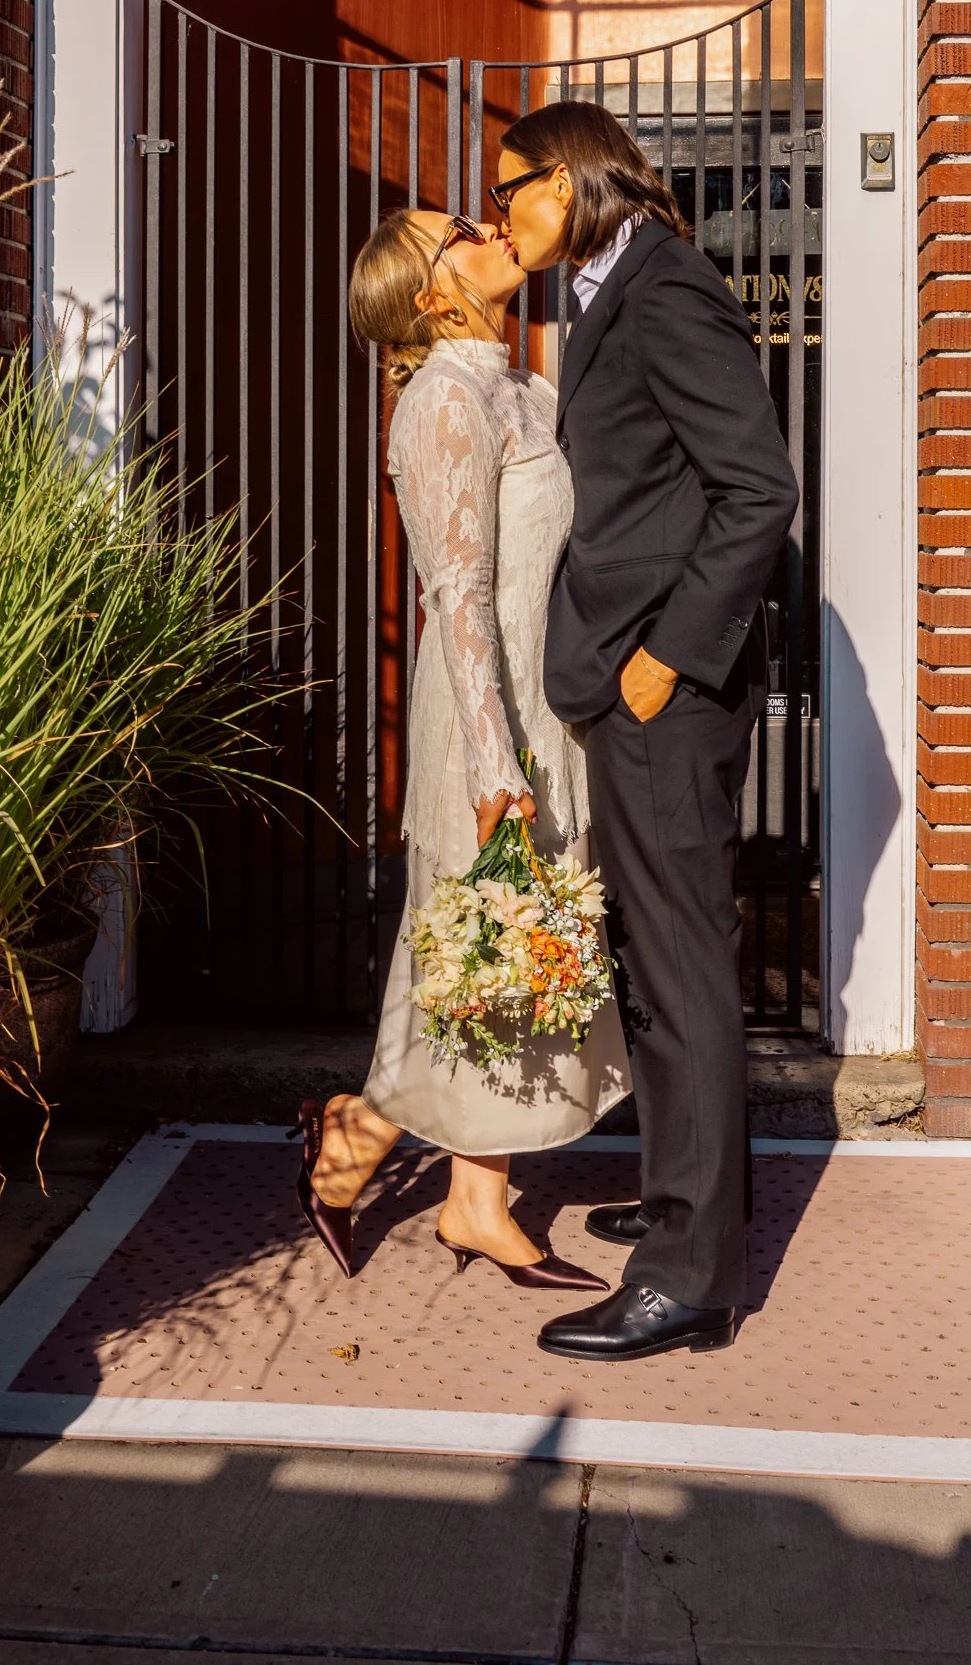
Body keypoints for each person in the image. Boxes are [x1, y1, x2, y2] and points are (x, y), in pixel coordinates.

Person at [494, 104, 799, 1362]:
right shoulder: (607, 288)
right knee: (656, 970)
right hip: (629, 684)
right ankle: (686, 1204)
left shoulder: (665, 289)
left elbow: (758, 489)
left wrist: (664, 659)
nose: (502, 208)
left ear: (566, 184)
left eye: (511, 186)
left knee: (676, 972)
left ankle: (688, 1273)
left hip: (661, 692)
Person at [291, 206, 629, 1288]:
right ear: (431, 295)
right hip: (489, 709)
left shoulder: (522, 385)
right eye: (459, 230)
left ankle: (461, 1192)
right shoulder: (439, 398)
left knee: (497, 954)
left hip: (545, 701)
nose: (491, 224)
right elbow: (457, 591)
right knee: (478, 944)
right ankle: (374, 1151)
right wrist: (494, 757)